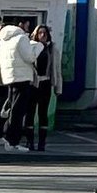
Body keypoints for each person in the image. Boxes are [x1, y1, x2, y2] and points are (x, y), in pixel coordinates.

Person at [0, 20, 44, 152]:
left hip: (10, 77)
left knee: (11, 108)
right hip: (22, 77)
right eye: (28, 25)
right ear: (22, 25)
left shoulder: (4, 40)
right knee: (18, 111)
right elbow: (30, 57)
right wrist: (39, 46)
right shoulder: (21, 38)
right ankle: (12, 142)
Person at [28, 24, 63, 152]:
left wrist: (58, 88)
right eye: (40, 33)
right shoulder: (31, 46)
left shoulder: (52, 48)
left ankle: (42, 143)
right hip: (33, 83)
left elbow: (57, 69)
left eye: (45, 33)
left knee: (43, 113)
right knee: (30, 112)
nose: (42, 35)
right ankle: (30, 142)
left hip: (46, 83)